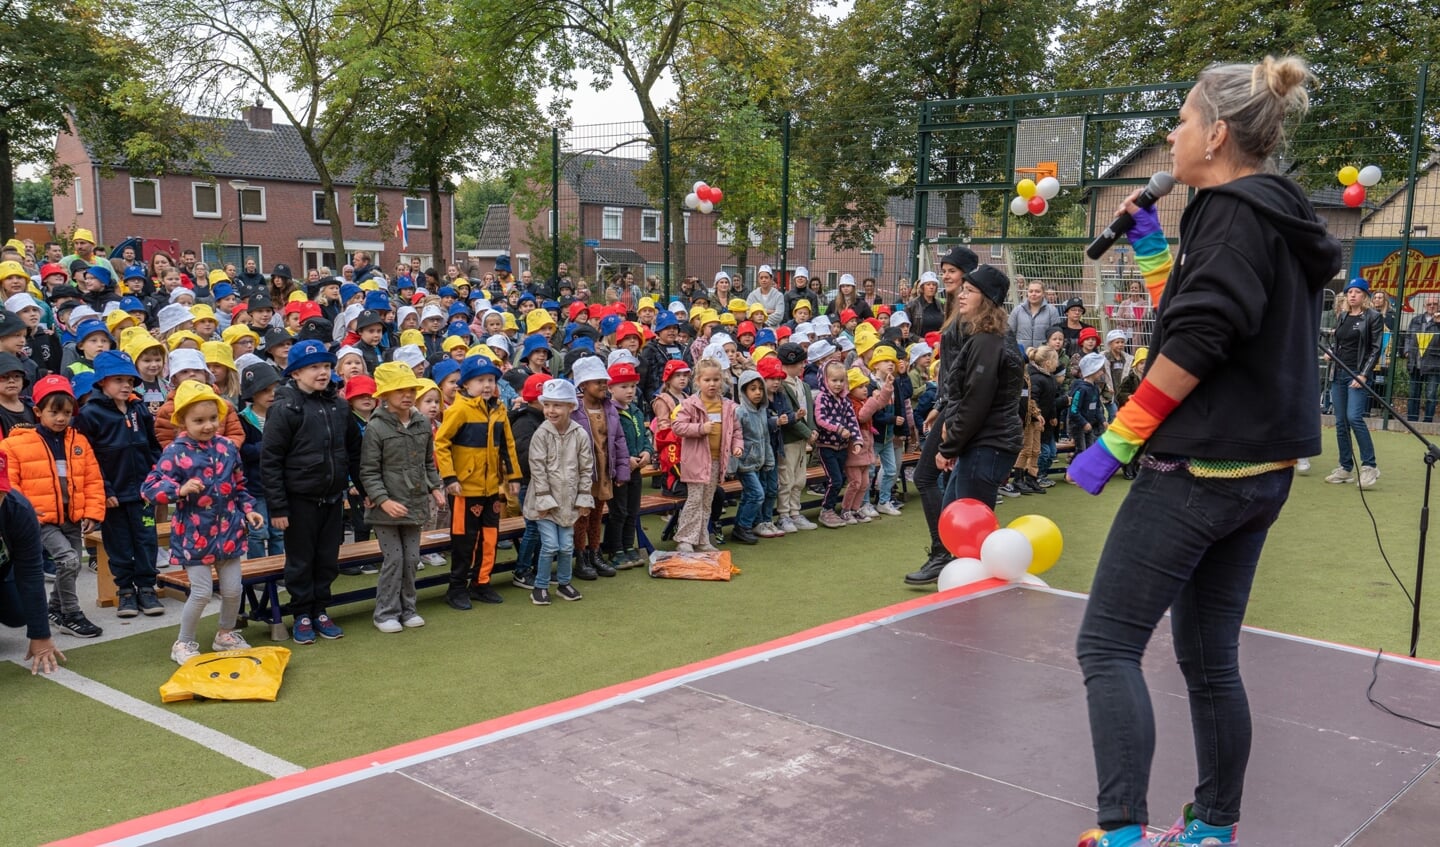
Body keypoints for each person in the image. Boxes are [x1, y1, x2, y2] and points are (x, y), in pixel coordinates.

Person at [1066, 56, 1342, 847]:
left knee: (1108, 643)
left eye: (1181, 121)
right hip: (1260, 476)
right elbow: (1194, 312)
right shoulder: (1275, 215)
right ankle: (1212, 827)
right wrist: (1153, 246)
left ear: (1217, 133)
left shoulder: (1228, 210)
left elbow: (1200, 338)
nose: (1171, 135)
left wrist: (1115, 442)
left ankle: (1121, 833)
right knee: (1208, 657)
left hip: (1196, 471)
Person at [142, 383, 264, 664]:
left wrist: (248, 510)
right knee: (201, 592)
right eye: (198, 420)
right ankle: (183, 643)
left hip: (230, 532)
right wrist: (179, 490)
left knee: (234, 589)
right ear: (182, 421)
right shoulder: (175, 451)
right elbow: (150, 488)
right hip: (194, 535)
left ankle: (225, 633)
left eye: (213, 419)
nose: (208, 426)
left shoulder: (227, 448)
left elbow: (239, 484)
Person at [261, 339, 363, 645]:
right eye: (314, 367)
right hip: (299, 500)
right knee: (301, 560)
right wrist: (278, 508)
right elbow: (271, 461)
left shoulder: (339, 405)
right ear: (295, 373)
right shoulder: (285, 407)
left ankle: (321, 609)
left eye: (327, 366)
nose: (322, 373)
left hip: (333, 497)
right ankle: (302, 613)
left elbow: (354, 450)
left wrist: (362, 485)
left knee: (327, 558)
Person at [0, 376, 105, 638]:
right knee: (68, 561)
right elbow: (10, 483)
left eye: (67, 413)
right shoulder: (16, 444)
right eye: (54, 412)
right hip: (40, 518)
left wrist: (93, 511)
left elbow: (92, 477)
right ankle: (71, 613)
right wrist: (24, 513)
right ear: (37, 411)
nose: (61, 418)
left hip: (72, 517)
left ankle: (55, 608)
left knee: (73, 565)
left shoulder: (78, 441)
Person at [904, 245, 978, 584]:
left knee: (925, 476)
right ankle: (950, 551)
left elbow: (966, 373)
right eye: (943, 269)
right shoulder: (954, 308)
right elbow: (950, 369)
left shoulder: (968, 315)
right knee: (945, 480)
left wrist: (949, 414)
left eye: (952, 270)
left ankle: (943, 552)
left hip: (958, 408)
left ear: (967, 274)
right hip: (949, 404)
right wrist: (937, 406)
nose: (945, 275)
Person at [76, 350, 165, 618]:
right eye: (118, 380)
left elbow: (153, 447)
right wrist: (105, 490)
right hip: (113, 497)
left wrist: (156, 476)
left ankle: (147, 588)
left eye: (130, 380)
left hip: (142, 493)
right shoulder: (90, 414)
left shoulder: (139, 409)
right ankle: (125, 591)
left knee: (146, 540)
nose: (126, 386)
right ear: (102, 382)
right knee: (119, 545)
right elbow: (88, 459)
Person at [359, 363, 444, 633]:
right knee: (394, 559)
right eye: (399, 391)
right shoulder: (376, 427)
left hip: (415, 501)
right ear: (385, 394)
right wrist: (383, 500)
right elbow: (369, 471)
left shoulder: (421, 422)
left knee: (411, 559)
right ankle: (385, 613)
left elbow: (429, 461)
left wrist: (435, 487)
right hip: (387, 508)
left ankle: (408, 609)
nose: (406, 395)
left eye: (410, 390)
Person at [434, 356, 520, 610]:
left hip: (491, 488)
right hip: (464, 489)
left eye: (491, 380)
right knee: (464, 541)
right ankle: (457, 587)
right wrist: (450, 478)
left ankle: (482, 583)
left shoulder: (499, 409)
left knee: (490, 538)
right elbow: (441, 443)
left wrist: (513, 477)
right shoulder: (459, 410)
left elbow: (508, 445)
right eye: (480, 380)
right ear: (466, 384)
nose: (486, 385)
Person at [935, 265, 1024, 507]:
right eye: (962, 289)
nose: (961, 295)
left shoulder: (987, 342)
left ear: (986, 299)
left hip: (988, 444)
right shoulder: (990, 338)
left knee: (969, 529)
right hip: (985, 442)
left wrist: (949, 447)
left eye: (970, 290)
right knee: (954, 519)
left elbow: (975, 401)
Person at [523, 378, 594, 605]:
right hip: (544, 504)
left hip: (569, 501)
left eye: (557, 405)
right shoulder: (541, 434)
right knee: (550, 545)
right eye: (547, 405)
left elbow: (586, 467)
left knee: (566, 545)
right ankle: (540, 586)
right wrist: (543, 501)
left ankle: (564, 583)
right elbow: (538, 469)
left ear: (571, 407)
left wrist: (583, 497)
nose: (551, 410)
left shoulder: (580, 434)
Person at [0, 459, 67, 674]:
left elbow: (30, 573)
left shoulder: (18, 509)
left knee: (19, 613)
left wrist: (40, 634)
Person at [670, 358, 742, 553]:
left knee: (707, 501)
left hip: (717, 460)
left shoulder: (727, 406)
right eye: (707, 380)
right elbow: (677, 426)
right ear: (698, 381)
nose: (712, 384)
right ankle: (685, 539)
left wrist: (737, 446)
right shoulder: (690, 404)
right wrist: (701, 428)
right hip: (696, 461)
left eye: (716, 380)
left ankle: (702, 538)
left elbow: (736, 431)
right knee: (694, 500)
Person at [1325, 278, 1383, 489]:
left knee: (1354, 417)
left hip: (1357, 374)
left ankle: (1370, 466)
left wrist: (1364, 375)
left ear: (1365, 296)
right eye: (1350, 292)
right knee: (1340, 421)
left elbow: (1375, 348)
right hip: (1338, 374)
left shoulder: (1373, 317)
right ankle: (1345, 467)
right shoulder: (1342, 316)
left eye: (1357, 292)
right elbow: (1339, 343)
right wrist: (1331, 353)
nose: (1352, 295)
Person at [1007, 280, 1062, 351]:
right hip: (1022, 355)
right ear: (1027, 293)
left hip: (1043, 356)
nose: (1033, 294)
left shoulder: (1052, 311)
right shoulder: (1017, 310)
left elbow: (1056, 335)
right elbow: (1009, 333)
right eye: (1031, 291)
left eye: (1037, 291)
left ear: (1043, 294)